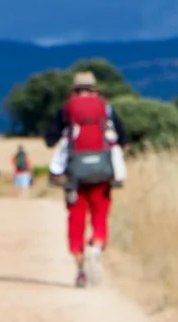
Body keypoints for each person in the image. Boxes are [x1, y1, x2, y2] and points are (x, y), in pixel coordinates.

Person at [47, 70, 124, 287]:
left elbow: (49, 139)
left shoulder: (67, 109)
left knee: (76, 219)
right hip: (102, 174)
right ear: (94, 89)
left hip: (75, 176)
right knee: (100, 215)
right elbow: (123, 138)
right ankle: (97, 246)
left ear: (74, 90)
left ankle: (81, 269)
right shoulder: (105, 108)